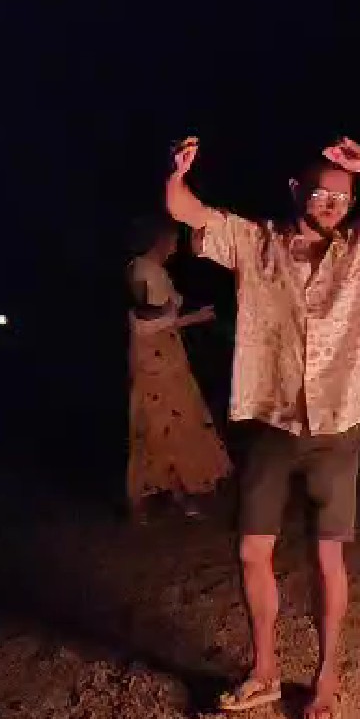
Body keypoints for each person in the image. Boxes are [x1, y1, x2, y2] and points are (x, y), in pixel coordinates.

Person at [166, 135, 360, 719]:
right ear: (296, 191)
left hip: (337, 425)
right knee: (250, 550)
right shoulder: (256, 242)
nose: (330, 204)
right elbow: (185, 211)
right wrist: (178, 174)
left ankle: (326, 676)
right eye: (319, 194)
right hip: (271, 419)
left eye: (341, 196)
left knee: (327, 559)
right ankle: (263, 671)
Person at [126, 216, 232, 521]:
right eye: (171, 239)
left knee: (178, 424)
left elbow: (165, 309)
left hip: (168, 357)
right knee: (155, 427)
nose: (175, 245)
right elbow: (145, 321)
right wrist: (192, 318)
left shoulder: (154, 271)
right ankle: (141, 502)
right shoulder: (141, 271)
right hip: (153, 362)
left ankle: (179, 492)